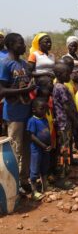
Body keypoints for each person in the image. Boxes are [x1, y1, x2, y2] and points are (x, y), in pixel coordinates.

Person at [0, 33, 35, 193]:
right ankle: (13, 186)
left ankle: (24, 180)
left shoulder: (22, 64)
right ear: (10, 45)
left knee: (27, 148)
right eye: (20, 43)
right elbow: (1, 90)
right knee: (15, 149)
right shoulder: (5, 64)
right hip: (14, 114)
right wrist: (25, 90)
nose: (24, 46)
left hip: (27, 112)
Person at [53, 62, 78, 189]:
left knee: (66, 148)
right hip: (64, 123)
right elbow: (66, 106)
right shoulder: (60, 88)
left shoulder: (59, 86)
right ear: (58, 74)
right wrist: (75, 119)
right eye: (66, 73)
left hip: (63, 123)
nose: (69, 75)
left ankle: (65, 170)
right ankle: (62, 178)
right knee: (64, 150)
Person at [27, 98, 52, 200]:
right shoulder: (32, 121)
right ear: (34, 109)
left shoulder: (45, 119)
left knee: (44, 166)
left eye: (45, 109)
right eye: (41, 109)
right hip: (36, 149)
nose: (44, 111)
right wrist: (43, 145)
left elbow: (47, 133)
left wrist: (49, 145)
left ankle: (45, 186)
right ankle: (34, 191)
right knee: (35, 168)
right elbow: (31, 136)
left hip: (45, 148)